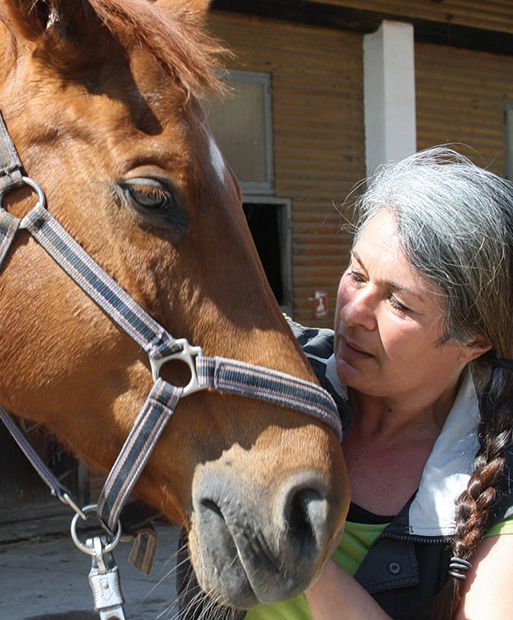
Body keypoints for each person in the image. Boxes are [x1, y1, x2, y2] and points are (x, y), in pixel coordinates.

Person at [177, 147, 513, 620]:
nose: (354, 313)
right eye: (357, 274)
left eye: (399, 304)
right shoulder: (274, 375)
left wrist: (295, 549)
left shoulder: (500, 477)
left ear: (473, 340)